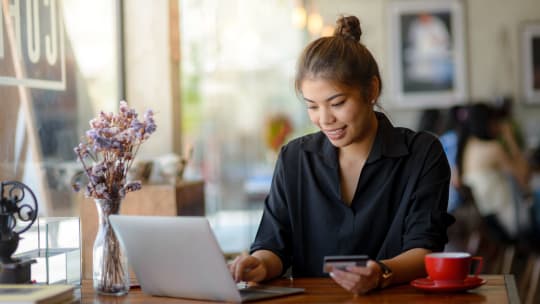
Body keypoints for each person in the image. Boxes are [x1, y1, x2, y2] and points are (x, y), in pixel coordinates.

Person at [229, 15, 454, 295]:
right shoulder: (295, 158)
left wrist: (382, 273)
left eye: (337, 103)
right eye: (312, 106)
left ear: (371, 89)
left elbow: (425, 248)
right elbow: (273, 245)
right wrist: (260, 263)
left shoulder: (422, 154)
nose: (324, 120)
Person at [457, 103, 530, 241]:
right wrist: (510, 139)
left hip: (486, 222)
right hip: (505, 224)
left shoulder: (467, 147)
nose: (498, 126)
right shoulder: (493, 148)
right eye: (495, 121)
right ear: (487, 123)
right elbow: (524, 175)